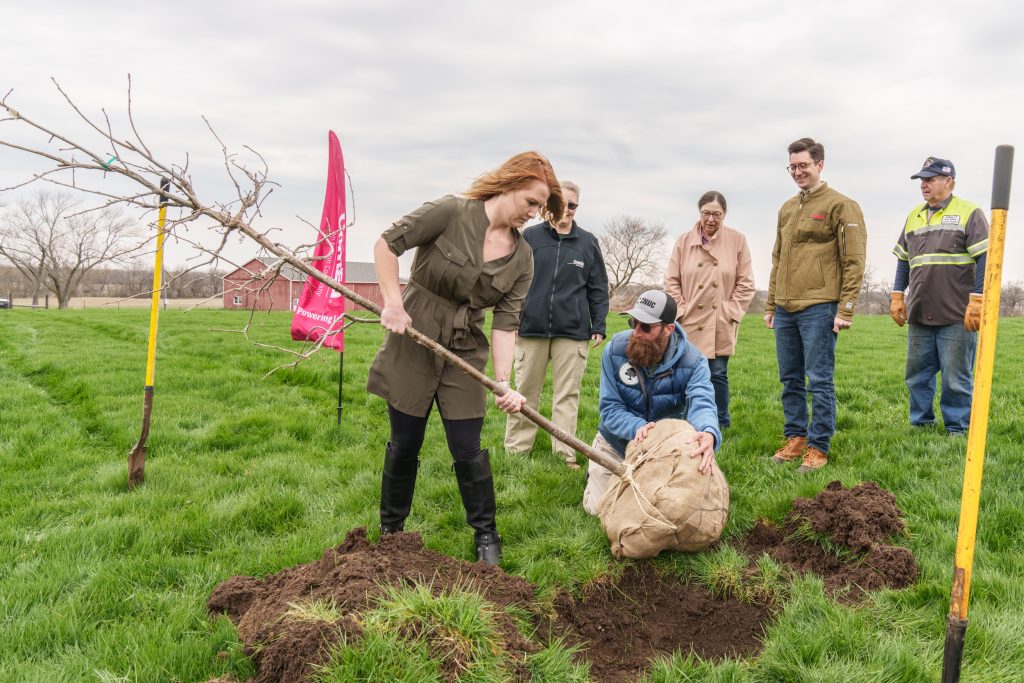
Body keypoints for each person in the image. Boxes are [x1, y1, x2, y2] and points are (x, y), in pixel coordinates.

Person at [367, 151, 563, 564]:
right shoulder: (451, 212)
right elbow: (386, 245)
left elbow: (506, 324)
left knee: (468, 446)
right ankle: (391, 532)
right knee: (405, 441)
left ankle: (486, 536)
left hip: (465, 346)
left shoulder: (523, 258)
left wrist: (503, 382)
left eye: (540, 207)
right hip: (414, 335)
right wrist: (393, 303)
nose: (533, 213)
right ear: (510, 184)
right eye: (530, 201)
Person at [764, 137, 867, 473]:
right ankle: (795, 438)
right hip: (785, 308)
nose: (798, 172)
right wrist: (771, 304)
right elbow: (778, 258)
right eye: (793, 167)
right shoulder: (786, 208)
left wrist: (846, 308)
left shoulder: (842, 205)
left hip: (819, 307)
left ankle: (818, 447)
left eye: (804, 165)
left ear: (820, 164)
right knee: (790, 379)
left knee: (819, 380)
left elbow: (853, 260)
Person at [582, 289, 721, 515]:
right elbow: (610, 409)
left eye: (645, 327)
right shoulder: (614, 350)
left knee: (672, 511)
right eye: (633, 323)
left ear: (668, 329)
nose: (636, 333)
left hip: (663, 448)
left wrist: (708, 432)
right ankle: (598, 472)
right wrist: (639, 427)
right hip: (616, 444)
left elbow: (702, 402)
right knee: (600, 510)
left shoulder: (694, 362)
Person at [503, 180, 609, 468]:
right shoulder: (530, 237)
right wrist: (512, 317)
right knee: (525, 392)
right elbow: (513, 279)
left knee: (567, 395)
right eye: (561, 204)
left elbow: (598, 287)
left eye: (573, 205)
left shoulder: (588, 242)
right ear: (550, 205)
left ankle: (564, 454)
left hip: (573, 332)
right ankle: (517, 450)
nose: (567, 210)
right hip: (531, 327)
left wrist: (599, 324)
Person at [890, 157, 988, 435]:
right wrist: (897, 294)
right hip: (920, 312)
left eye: (930, 179)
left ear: (948, 181)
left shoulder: (969, 212)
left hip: (957, 313)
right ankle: (921, 424)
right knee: (916, 375)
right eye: (922, 180)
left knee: (956, 378)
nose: (924, 184)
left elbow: (985, 257)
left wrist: (978, 298)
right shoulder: (914, 215)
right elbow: (903, 259)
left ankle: (957, 429)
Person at [664, 190, 755, 429]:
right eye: (706, 213)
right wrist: (680, 310)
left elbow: (746, 283)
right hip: (689, 320)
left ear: (724, 215)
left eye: (717, 214)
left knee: (717, 374)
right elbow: (671, 280)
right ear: (699, 212)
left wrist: (730, 312)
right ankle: (684, 422)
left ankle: (720, 422)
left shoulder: (737, 240)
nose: (711, 219)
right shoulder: (684, 241)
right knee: (683, 373)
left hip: (719, 321)